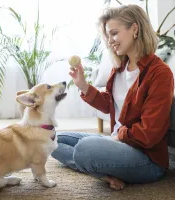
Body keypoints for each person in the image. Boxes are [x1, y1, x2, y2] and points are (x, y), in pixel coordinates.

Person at [52, 4, 174, 190]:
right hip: (117, 143)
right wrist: (83, 85)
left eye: (114, 33)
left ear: (134, 28)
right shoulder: (119, 67)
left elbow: (150, 133)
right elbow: (111, 104)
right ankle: (104, 174)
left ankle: (94, 164)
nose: (110, 41)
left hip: (146, 158)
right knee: (51, 140)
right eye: (108, 36)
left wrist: (118, 137)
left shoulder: (160, 73)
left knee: (86, 148)